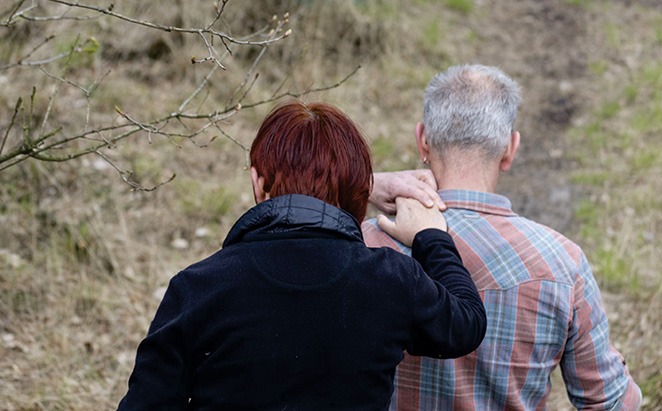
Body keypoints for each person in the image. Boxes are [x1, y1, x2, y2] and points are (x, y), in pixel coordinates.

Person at [117, 100, 487, 410]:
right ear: (360, 190)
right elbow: (466, 325)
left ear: (257, 181)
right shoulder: (390, 280)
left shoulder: (200, 287)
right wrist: (431, 236)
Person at [363, 64, 642, 410]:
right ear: (510, 148)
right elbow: (612, 403)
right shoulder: (562, 264)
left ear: (422, 140)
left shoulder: (363, 246)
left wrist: (366, 185)